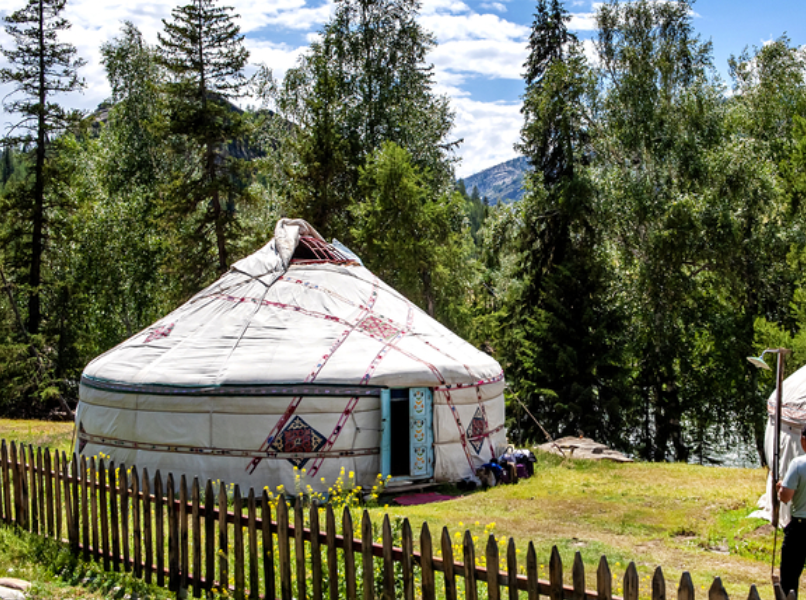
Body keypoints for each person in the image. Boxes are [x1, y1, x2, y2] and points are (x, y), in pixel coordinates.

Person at [777, 426, 806, 599]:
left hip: (801, 527)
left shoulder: (798, 464)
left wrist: (781, 488)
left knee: (789, 576)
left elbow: (786, 497)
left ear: (803, 440)